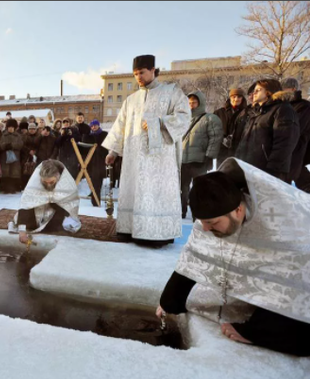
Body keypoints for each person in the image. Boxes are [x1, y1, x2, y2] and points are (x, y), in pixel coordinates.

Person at [157, 162, 310, 356]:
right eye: (202, 222)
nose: (205, 229)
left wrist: (257, 331)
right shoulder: (213, 215)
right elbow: (196, 254)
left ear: (238, 210)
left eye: (211, 223)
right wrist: (170, 300)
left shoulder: (290, 226)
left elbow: (298, 278)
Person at [103, 55, 190, 247]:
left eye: (141, 72)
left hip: (159, 159)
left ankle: (158, 233)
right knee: (134, 190)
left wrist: (160, 122)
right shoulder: (131, 100)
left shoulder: (171, 92)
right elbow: (120, 127)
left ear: (153, 70)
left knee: (154, 192)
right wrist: (113, 152)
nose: (138, 77)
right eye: (135, 74)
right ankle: (130, 229)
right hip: (134, 158)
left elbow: (184, 117)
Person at [235, 79, 299, 182]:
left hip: (268, 171)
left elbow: (285, 143)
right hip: (250, 168)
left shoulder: (282, 110)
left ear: (269, 92)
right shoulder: (257, 112)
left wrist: (272, 169)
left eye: (258, 90)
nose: (254, 93)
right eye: (254, 90)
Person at [8, 159, 81, 243]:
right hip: (39, 209)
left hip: (57, 209)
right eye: (44, 182)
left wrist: (52, 200)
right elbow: (26, 202)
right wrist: (22, 231)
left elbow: (70, 204)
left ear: (58, 177)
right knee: (27, 221)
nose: (48, 185)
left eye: (51, 182)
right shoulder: (36, 180)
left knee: (59, 227)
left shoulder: (65, 179)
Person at [180, 91, 223, 218]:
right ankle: (182, 212)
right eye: (189, 103)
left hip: (199, 160)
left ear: (200, 103)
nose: (191, 105)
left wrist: (209, 156)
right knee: (183, 188)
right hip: (183, 160)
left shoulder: (210, 118)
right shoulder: (184, 119)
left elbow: (215, 138)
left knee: (199, 189)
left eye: (194, 102)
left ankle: (197, 214)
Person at [281, 77, 310, 191]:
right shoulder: (283, 106)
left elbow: (295, 129)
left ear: (293, 89)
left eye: (284, 89)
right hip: (286, 152)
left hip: (296, 151)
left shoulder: (303, 106)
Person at [214, 88, 248, 165]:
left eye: (239, 97)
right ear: (230, 98)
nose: (236, 99)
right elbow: (213, 130)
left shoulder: (247, 113)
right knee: (221, 173)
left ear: (242, 99)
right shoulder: (219, 112)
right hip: (222, 151)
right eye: (234, 97)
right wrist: (221, 139)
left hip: (239, 150)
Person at [80, 119, 108, 206]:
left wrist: (98, 149)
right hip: (91, 162)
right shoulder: (88, 136)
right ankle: (95, 200)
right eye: (92, 126)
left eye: (95, 125)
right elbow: (83, 149)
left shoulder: (104, 134)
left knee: (98, 182)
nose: (93, 127)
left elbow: (107, 147)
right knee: (93, 181)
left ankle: (96, 200)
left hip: (100, 161)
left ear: (98, 125)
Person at [0, 118, 24, 193]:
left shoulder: (18, 136)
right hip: (5, 158)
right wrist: (5, 146)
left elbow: (20, 145)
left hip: (15, 157)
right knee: (6, 173)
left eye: (12, 127)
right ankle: (6, 188)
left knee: (13, 173)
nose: (11, 129)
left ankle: (13, 188)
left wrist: (12, 146)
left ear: (14, 128)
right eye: (9, 127)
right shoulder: (3, 135)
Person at [21, 123, 41, 188]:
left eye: (33, 129)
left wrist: (35, 151)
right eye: (30, 129)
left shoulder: (39, 136)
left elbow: (40, 145)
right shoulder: (24, 136)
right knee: (25, 171)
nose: (32, 130)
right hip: (26, 156)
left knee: (35, 171)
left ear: (36, 129)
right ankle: (25, 185)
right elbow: (22, 145)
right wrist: (29, 151)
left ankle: (34, 186)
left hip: (36, 156)